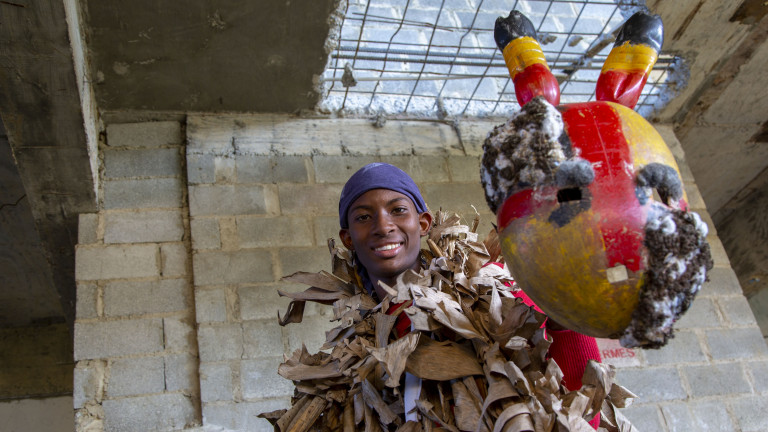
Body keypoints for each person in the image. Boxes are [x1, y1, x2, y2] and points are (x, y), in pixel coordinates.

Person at [338, 162, 602, 429]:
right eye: (363, 217)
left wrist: (564, 317)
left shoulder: (488, 289)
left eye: (398, 210)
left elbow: (580, 412)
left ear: (423, 223)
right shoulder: (354, 357)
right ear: (348, 239)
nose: (383, 226)